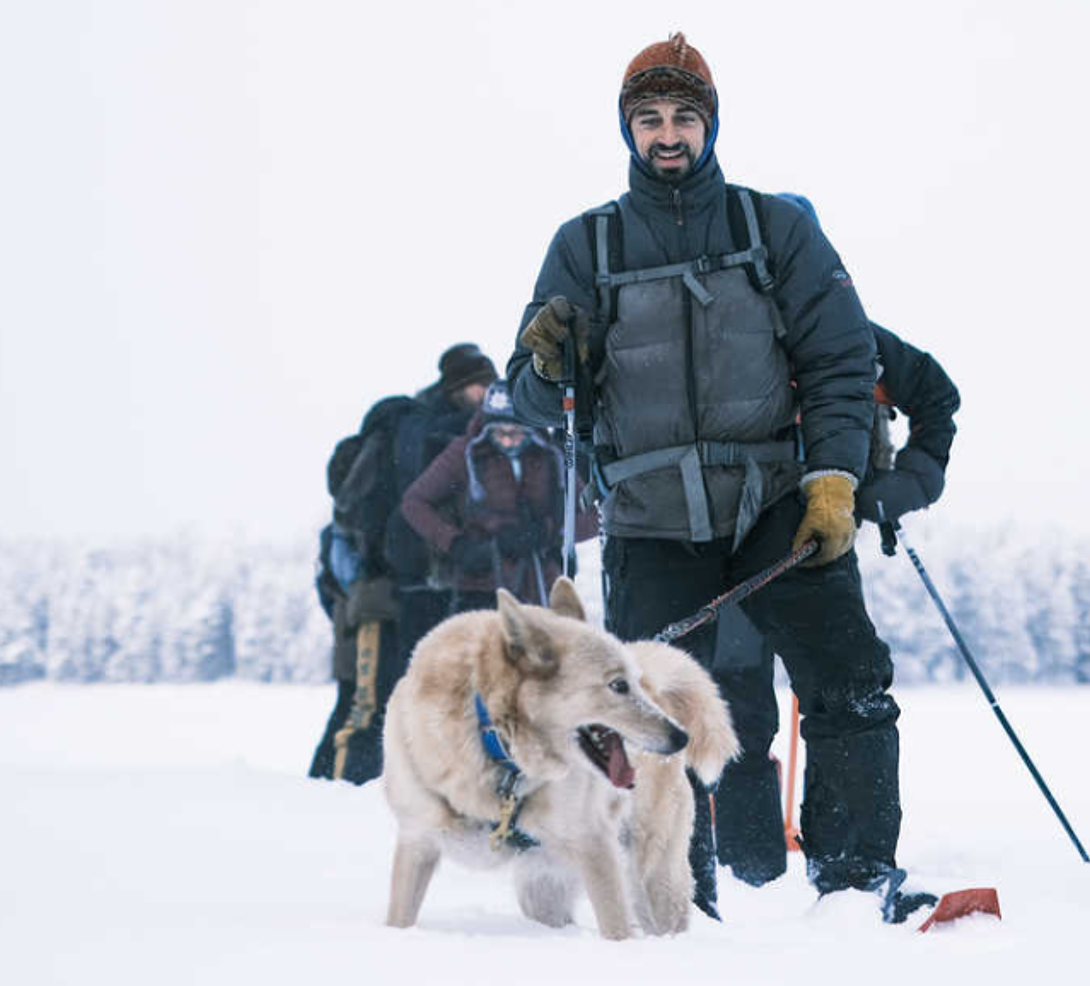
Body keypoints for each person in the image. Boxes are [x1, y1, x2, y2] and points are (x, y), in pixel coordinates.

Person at [504, 32, 935, 923]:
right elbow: (537, 403)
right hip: (651, 519)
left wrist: (835, 481)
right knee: (650, 715)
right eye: (651, 118)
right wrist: (547, 366)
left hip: (777, 500)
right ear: (628, 131)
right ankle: (676, 903)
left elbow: (841, 361)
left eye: (685, 117)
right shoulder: (585, 245)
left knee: (849, 677)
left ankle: (854, 885)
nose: (669, 135)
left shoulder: (773, 229)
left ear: (711, 124)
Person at [706, 222, 963, 882]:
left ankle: (844, 875)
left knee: (840, 690)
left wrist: (903, 486)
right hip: (729, 532)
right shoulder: (715, 335)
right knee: (738, 699)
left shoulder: (861, 338)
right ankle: (749, 863)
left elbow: (937, 399)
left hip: (820, 533)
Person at [309, 343, 497, 784]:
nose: (486, 396)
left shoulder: (423, 429)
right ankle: (328, 794)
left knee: (381, 702)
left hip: (394, 589)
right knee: (365, 704)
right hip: (376, 590)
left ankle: (342, 789)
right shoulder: (419, 431)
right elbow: (403, 513)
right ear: (457, 386)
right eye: (479, 386)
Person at [399, 383, 597, 615]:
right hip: (480, 585)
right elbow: (414, 502)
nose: (507, 441)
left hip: (543, 584)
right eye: (499, 433)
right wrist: (457, 544)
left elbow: (593, 517)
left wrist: (549, 532)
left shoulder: (551, 455)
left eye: (516, 433)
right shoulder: (463, 453)